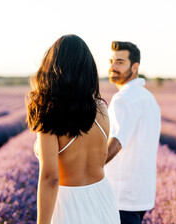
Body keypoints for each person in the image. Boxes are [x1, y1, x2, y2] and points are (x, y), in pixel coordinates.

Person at [27, 34, 120, 224]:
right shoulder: (101, 108)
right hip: (103, 199)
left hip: (68, 207)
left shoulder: (49, 114)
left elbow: (50, 178)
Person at [104, 41, 161, 224]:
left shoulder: (123, 99)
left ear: (135, 67)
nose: (113, 67)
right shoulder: (149, 98)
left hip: (121, 196)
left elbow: (117, 141)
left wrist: (91, 168)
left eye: (120, 62)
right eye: (111, 61)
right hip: (142, 195)